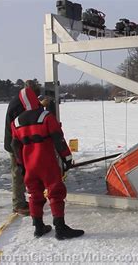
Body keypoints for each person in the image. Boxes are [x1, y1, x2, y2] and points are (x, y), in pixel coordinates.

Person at [10, 86, 84, 239]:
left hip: (29, 164)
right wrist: (67, 159)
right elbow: (59, 139)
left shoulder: (15, 122)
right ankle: (60, 228)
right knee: (55, 192)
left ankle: (38, 227)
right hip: (47, 162)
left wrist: (21, 165)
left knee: (34, 194)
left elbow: (15, 146)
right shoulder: (46, 116)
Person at [4, 80, 40, 215]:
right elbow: (25, 121)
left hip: (18, 142)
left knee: (22, 172)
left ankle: (21, 201)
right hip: (15, 144)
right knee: (18, 173)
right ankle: (18, 204)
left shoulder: (19, 101)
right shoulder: (19, 105)